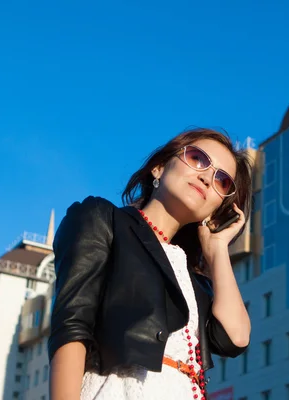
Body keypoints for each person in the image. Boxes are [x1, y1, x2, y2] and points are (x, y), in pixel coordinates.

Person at [48, 128, 253, 400]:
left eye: (223, 181)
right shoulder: (103, 220)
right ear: (158, 167)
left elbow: (235, 337)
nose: (206, 177)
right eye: (198, 158)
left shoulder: (192, 279)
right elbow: (71, 328)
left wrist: (216, 250)